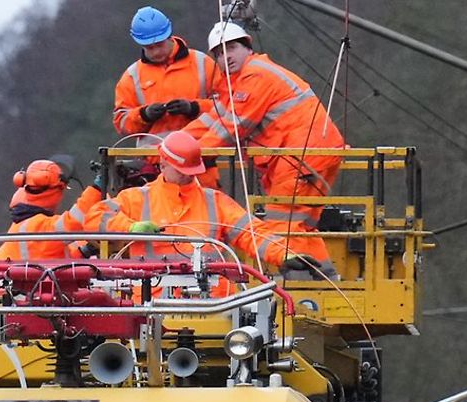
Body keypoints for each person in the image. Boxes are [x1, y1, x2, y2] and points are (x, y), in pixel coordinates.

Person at [182, 21, 342, 278]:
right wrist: (173, 144)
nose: (226, 57)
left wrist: (183, 156)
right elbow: (215, 119)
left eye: (231, 48)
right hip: (309, 153)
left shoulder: (255, 76)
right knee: (300, 226)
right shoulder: (242, 83)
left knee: (282, 227)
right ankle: (325, 281)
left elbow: (231, 128)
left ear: (247, 47)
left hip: (301, 154)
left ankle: (298, 291)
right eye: (219, 53)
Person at [84, 131, 268, 271]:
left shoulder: (215, 201)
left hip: (210, 305)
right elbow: (94, 218)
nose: (188, 176)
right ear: (162, 164)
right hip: (152, 304)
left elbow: (252, 233)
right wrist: (130, 228)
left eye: (191, 171)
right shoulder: (136, 199)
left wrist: (285, 255)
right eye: (182, 171)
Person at [113, 7, 216, 141]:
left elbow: (226, 108)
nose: (156, 52)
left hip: (199, 154)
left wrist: (194, 108)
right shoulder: (132, 76)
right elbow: (121, 123)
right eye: (149, 48)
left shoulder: (203, 63)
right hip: (153, 157)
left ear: (169, 37)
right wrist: (144, 115)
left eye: (159, 45)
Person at [0, 158, 103, 261]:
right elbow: (75, 221)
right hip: (34, 283)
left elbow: (51, 259)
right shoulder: (38, 226)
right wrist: (97, 189)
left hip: (25, 281)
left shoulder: (21, 225)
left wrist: (83, 252)